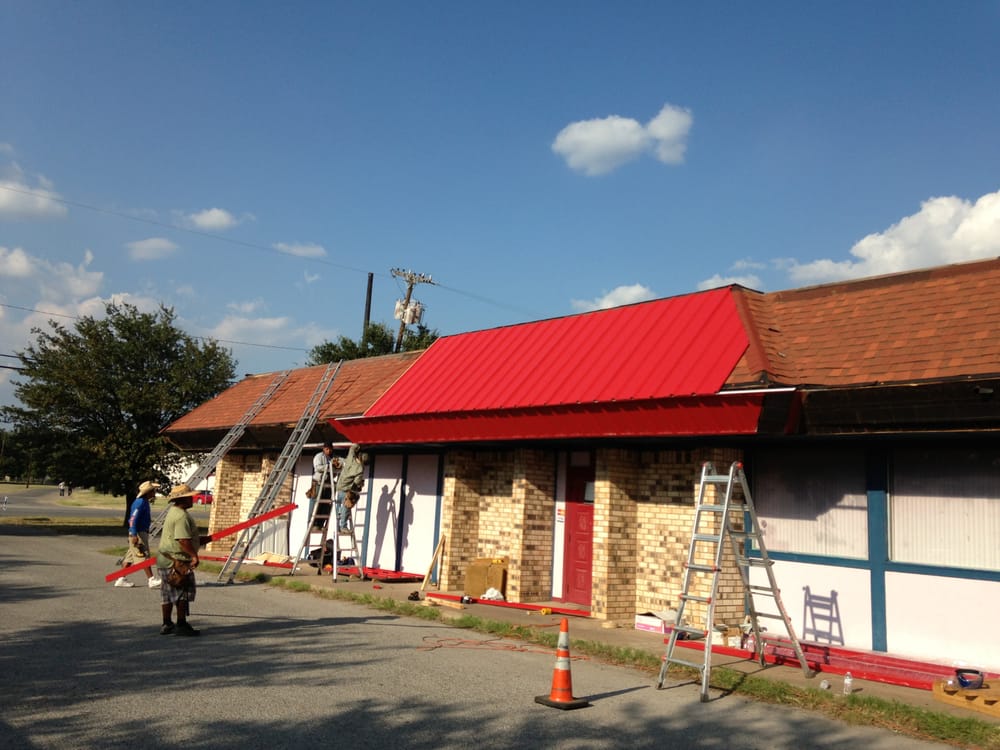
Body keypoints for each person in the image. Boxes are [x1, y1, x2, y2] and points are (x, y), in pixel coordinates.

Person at [155, 483, 210, 636]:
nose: (193, 499)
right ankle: (181, 624)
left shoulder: (173, 512)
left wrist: (204, 540)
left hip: (165, 559)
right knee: (182, 591)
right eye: (190, 497)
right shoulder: (182, 516)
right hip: (177, 562)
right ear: (183, 499)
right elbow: (183, 540)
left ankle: (167, 623)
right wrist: (194, 556)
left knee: (167, 593)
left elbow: (186, 538)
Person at [115, 480, 162, 588]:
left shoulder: (144, 502)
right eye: (153, 491)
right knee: (143, 555)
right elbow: (132, 519)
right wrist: (133, 534)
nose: (154, 492)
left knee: (129, 558)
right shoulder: (140, 503)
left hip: (142, 531)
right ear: (147, 492)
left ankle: (121, 579)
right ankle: (151, 579)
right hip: (139, 533)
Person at [335, 444, 368, 530]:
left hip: (339, 487)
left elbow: (352, 448)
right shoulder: (360, 468)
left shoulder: (350, 459)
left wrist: (358, 444)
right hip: (346, 489)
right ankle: (343, 526)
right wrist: (356, 489)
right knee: (347, 505)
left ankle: (338, 525)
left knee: (339, 506)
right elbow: (356, 483)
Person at [311, 442, 341, 528]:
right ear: (324, 449)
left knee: (326, 504)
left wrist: (336, 467)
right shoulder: (319, 456)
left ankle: (321, 524)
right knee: (318, 503)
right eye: (327, 449)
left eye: (330, 449)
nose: (329, 451)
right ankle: (314, 524)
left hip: (328, 483)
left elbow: (335, 470)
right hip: (319, 483)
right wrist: (329, 466)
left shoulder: (332, 458)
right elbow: (317, 468)